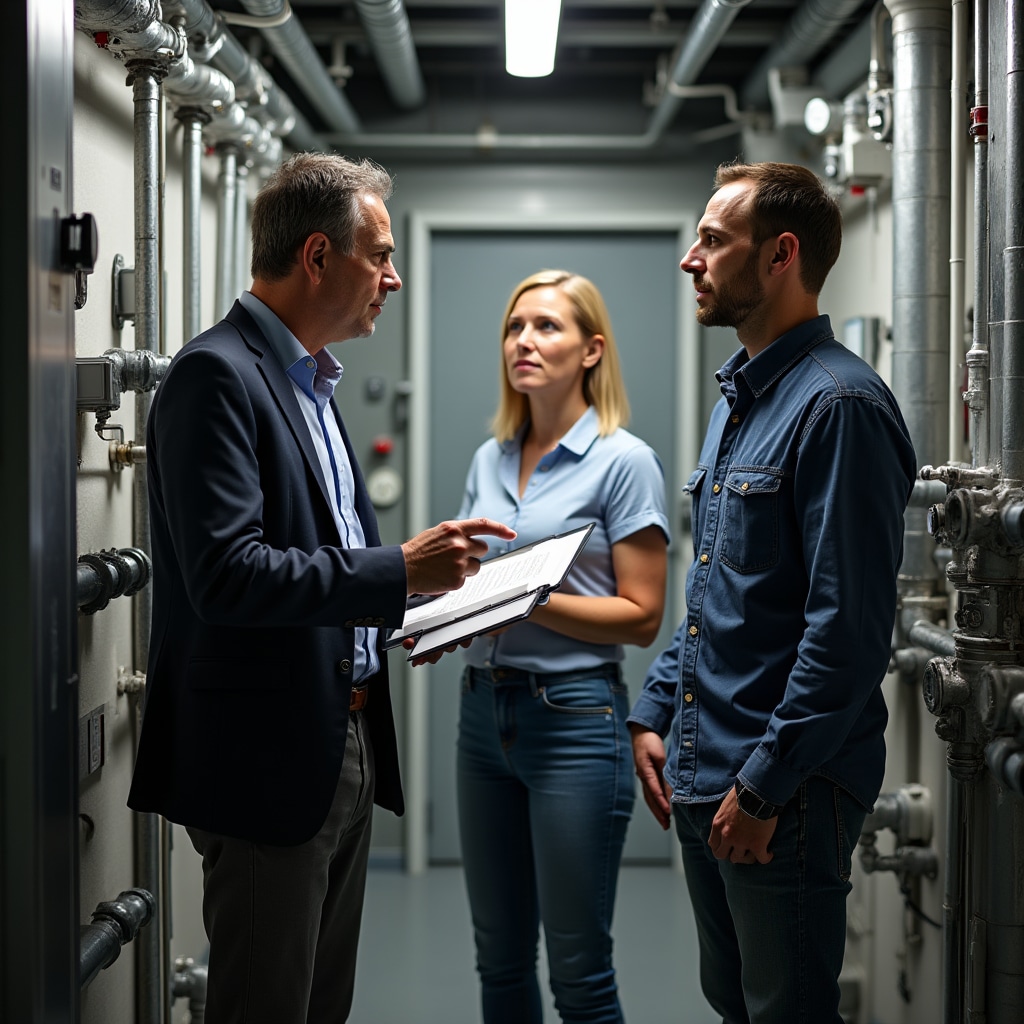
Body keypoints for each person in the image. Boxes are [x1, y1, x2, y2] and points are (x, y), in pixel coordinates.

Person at [126, 152, 515, 1024]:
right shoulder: (216, 375)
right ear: (315, 257)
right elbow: (229, 575)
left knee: (320, 1007)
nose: (393, 278)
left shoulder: (311, 380)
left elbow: (319, 558)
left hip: (341, 733)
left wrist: (420, 603)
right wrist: (397, 569)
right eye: (379, 256)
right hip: (267, 755)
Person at [628, 162, 917, 1024]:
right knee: (736, 1004)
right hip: (708, 772)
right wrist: (654, 710)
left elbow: (847, 635)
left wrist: (762, 787)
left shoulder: (840, 407)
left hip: (780, 791)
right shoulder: (741, 399)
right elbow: (717, 592)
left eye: (714, 240)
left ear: (781, 254)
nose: (691, 259)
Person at [452, 269, 670, 1023]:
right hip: (482, 717)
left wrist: (526, 600)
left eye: (547, 326)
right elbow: (472, 582)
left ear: (591, 350)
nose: (524, 340)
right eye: (514, 327)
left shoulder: (624, 460)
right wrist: (444, 611)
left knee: (579, 973)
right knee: (499, 961)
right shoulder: (489, 457)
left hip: (574, 720)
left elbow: (643, 616)